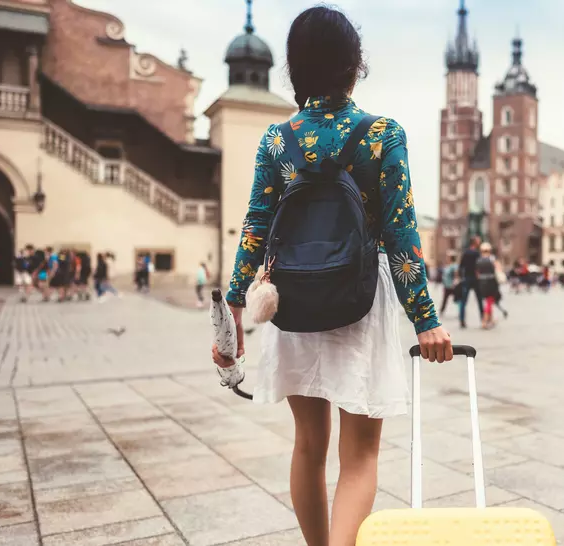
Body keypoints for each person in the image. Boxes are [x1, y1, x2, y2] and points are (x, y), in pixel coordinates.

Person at [211, 8, 452, 545]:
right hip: (358, 301)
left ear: (294, 69)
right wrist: (426, 321)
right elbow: (401, 237)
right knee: (360, 455)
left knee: (307, 445)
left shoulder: (277, 140)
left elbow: (256, 224)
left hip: (292, 300)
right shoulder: (382, 135)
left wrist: (231, 314)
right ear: (355, 65)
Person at [457, 236, 483, 329]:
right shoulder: (477, 253)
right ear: (475, 242)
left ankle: (462, 320)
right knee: (479, 300)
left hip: (467, 278)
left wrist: (460, 277)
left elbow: (461, 266)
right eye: (478, 241)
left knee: (463, 301)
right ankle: (483, 319)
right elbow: (479, 266)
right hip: (475, 279)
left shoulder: (465, 253)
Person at [475, 242, 501, 329]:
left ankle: (491, 320)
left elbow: (477, 274)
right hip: (491, 283)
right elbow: (498, 270)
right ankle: (484, 321)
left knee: (488, 301)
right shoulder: (492, 259)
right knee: (489, 302)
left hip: (482, 283)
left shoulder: (479, 260)